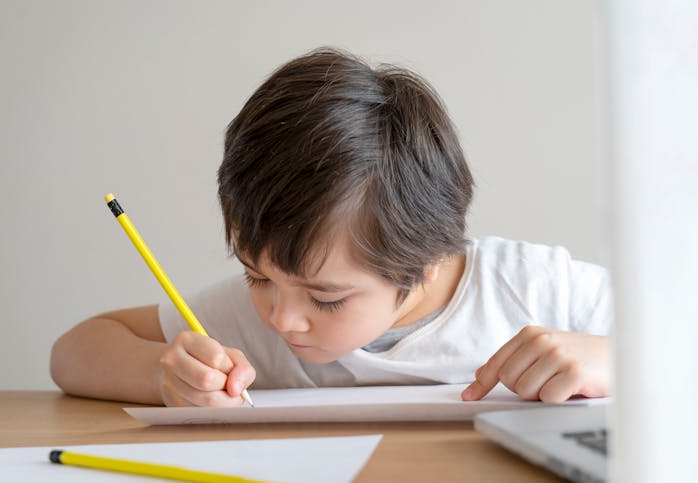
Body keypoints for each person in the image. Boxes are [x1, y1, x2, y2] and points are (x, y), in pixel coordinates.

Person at [50, 48, 611, 407]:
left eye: (326, 298)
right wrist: (162, 375)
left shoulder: (532, 289)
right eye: (256, 275)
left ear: (425, 262)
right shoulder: (250, 320)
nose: (281, 317)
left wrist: (617, 358)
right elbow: (74, 351)